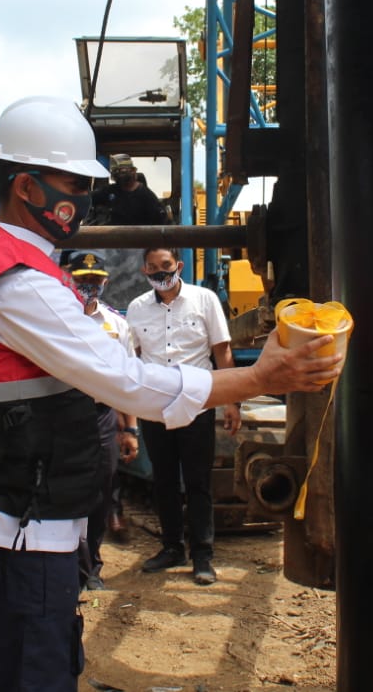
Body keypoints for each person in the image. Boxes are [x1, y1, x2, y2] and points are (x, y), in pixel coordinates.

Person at [0, 95, 340, 692]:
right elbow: (128, 380)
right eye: (73, 181)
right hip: (14, 534)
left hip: (8, 516)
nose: (84, 196)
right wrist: (260, 379)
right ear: (25, 186)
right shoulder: (15, 279)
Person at [126, 246, 238, 586]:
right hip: (156, 404)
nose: (161, 273)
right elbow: (132, 357)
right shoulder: (137, 309)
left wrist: (232, 402)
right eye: (153, 268)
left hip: (197, 402)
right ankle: (172, 546)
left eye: (166, 266)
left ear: (179, 265)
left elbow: (222, 351)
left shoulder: (204, 300)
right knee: (163, 479)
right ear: (144, 271)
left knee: (197, 480)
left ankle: (203, 555)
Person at [62, 250, 138, 591]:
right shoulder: (55, 318)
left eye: (94, 281)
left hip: (103, 416)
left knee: (101, 493)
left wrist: (130, 427)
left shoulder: (117, 325)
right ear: (68, 279)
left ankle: (91, 565)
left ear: (106, 282)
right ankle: (69, 567)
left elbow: (127, 379)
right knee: (65, 492)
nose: (89, 288)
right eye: (82, 281)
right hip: (63, 414)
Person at [88, 153, 168, 226]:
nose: (120, 174)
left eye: (123, 171)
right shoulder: (110, 191)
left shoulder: (147, 196)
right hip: (114, 238)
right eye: (117, 171)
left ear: (133, 171)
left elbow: (159, 221)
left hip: (139, 238)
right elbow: (88, 198)